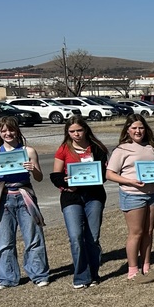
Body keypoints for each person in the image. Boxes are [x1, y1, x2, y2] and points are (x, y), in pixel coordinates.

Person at [0, 116, 49, 289]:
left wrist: (33, 169)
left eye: (11, 130)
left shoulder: (28, 151)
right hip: (3, 197)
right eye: (3, 130)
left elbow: (40, 178)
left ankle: (39, 274)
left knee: (33, 238)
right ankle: (6, 278)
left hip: (25, 195)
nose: (8, 133)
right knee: (4, 240)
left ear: (17, 130)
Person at [106, 114, 154, 283]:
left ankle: (146, 267)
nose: (138, 131)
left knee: (149, 231)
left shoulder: (153, 147)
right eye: (134, 128)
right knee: (136, 233)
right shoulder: (122, 150)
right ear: (128, 130)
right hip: (133, 195)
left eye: (141, 128)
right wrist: (130, 181)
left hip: (153, 194)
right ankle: (133, 271)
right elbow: (110, 174)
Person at [51, 116, 107, 288]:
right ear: (67, 132)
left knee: (92, 237)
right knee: (75, 236)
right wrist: (66, 182)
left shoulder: (97, 148)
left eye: (79, 130)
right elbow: (55, 175)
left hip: (94, 195)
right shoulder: (63, 149)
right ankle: (81, 277)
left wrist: (92, 179)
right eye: (72, 131)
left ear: (86, 129)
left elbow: (103, 175)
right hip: (71, 197)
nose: (76, 134)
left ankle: (94, 274)